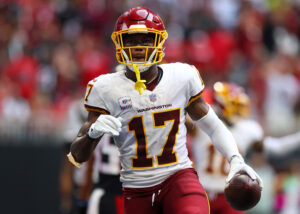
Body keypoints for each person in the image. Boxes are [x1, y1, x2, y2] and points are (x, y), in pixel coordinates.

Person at [67, 7, 262, 214]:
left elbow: (213, 126)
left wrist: (236, 159)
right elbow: (77, 156)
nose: (139, 47)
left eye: (146, 39)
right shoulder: (104, 88)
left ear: (159, 42)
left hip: (177, 178)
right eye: (131, 40)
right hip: (136, 189)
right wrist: (92, 133)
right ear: (119, 43)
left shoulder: (181, 76)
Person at [190, 81, 300, 214]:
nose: (238, 111)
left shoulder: (247, 130)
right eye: (234, 105)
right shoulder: (201, 124)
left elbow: (277, 148)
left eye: (239, 106)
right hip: (201, 190)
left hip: (231, 193)